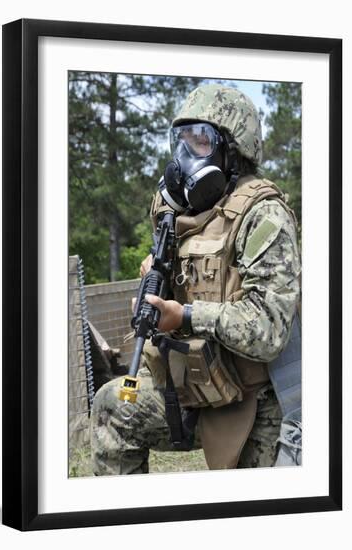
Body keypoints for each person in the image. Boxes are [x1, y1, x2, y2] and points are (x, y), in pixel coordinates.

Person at [90, 83, 301, 475]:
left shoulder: (264, 216)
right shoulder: (185, 214)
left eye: (200, 142)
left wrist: (184, 315)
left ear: (232, 150)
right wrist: (156, 293)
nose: (185, 155)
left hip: (260, 400)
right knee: (113, 407)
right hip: (197, 384)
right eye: (181, 142)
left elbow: (269, 330)